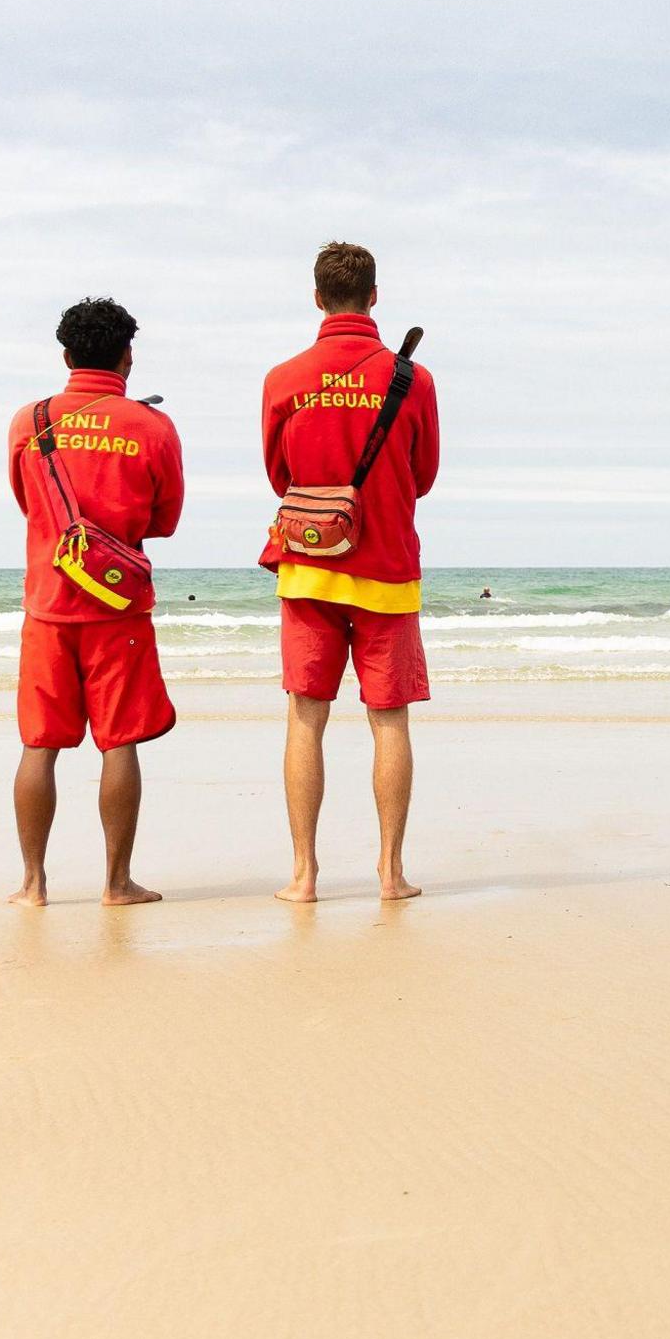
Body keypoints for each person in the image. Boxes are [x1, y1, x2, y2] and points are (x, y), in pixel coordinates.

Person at [260, 241, 440, 904]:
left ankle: (304, 876)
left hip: (308, 569)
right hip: (388, 569)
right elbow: (423, 476)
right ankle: (390, 873)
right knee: (388, 721)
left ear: (316, 298)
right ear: (374, 296)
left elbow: (280, 475)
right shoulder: (411, 379)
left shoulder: (284, 377)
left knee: (305, 717)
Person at [8, 296, 187, 907]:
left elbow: (30, 505)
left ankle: (33, 885)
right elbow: (165, 520)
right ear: (127, 357)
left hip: (48, 603)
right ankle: (116, 884)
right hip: (119, 608)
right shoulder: (152, 427)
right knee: (119, 743)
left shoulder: (27, 421)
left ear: (65, 354)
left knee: (39, 744)